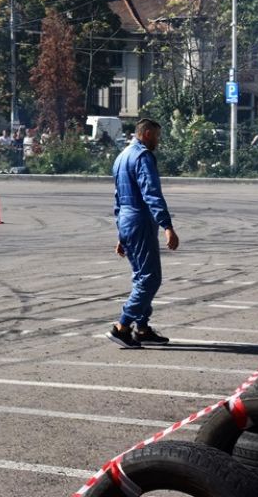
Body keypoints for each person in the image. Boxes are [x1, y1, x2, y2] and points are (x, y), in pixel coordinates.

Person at [107, 117, 180, 349]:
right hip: (140, 220)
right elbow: (151, 193)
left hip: (127, 221)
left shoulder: (121, 157)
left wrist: (121, 235)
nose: (158, 141)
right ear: (147, 133)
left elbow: (118, 199)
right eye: (157, 136)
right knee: (150, 278)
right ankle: (122, 326)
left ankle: (142, 329)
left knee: (141, 277)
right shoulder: (142, 156)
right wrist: (167, 226)